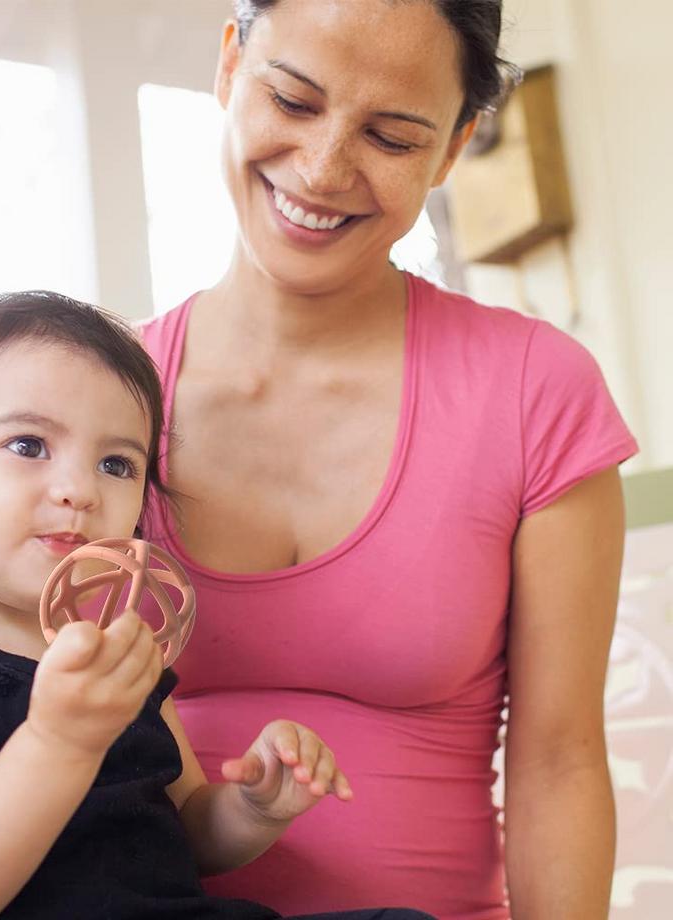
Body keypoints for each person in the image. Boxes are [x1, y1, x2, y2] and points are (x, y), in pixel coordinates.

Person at [137, 1, 638, 918]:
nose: (323, 170)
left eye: (393, 138)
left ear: (453, 148)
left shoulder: (535, 389)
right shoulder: (103, 401)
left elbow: (560, 761)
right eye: (293, 101)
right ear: (230, 64)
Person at [0, 292, 436, 920]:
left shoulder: (119, 654)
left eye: (116, 464)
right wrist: (60, 741)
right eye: (28, 446)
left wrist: (253, 809)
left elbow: (184, 836)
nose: (80, 489)